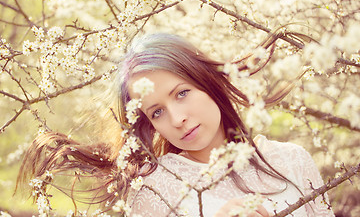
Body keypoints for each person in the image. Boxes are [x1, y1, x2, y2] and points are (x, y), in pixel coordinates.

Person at [17, 33, 334, 217]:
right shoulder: (154, 190)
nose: (177, 119)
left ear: (206, 81)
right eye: (156, 112)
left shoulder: (291, 160)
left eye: (182, 93)